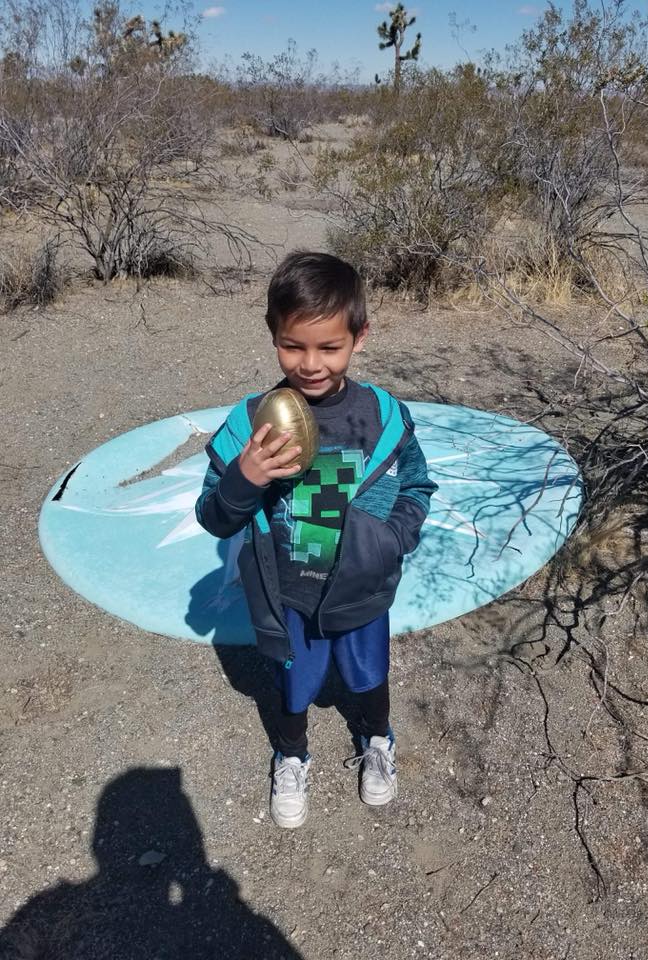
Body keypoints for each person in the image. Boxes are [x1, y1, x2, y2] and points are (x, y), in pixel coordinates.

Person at [195, 250, 437, 829]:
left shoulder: (383, 416)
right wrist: (245, 477)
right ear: (273, 335)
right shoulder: (251, 422)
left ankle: (377, 739)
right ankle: (291, 755)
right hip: (289, 596)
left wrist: (392, 539)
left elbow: (417, 484)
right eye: (292, 346)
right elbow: (213, 516)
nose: (310, 364)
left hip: (362, 588)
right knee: (292, 684)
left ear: (360, 336)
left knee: (368, 676)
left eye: (329, 347)